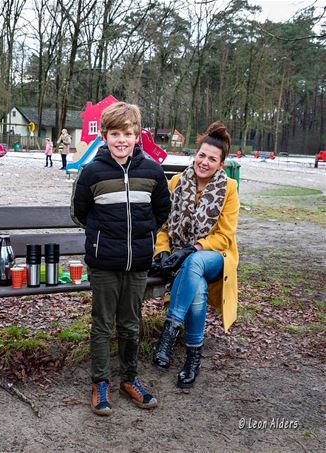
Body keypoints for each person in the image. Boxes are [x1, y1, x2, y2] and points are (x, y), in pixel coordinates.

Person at [71, 101, 171, 415]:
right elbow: (79, 212)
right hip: (103, 263)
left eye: (127, 133)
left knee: (130, 324)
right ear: (104, 136)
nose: (121, 140)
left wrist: (143, 235)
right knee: (102, 325)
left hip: (138, 262)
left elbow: (162, 210)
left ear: (137, 135)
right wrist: (104, 234)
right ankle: (100, 382)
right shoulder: (92, 172)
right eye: (115, 134)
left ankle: (130, 379)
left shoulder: (152, 171)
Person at [151, 121, 239, 389]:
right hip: (184, 260)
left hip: (216, 257)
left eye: (212, 159)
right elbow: (163, 226)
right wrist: (163, 252)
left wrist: (193, 247)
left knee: (195, 260)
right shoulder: (176, 182)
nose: (205, 162)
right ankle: (192, 359)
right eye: (202, 155)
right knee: (196, 286)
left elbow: (224, 236)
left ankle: (169, 331)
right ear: (195, 154)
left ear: (221, 164)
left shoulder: (229, 188)